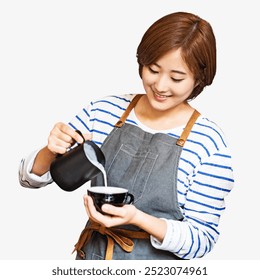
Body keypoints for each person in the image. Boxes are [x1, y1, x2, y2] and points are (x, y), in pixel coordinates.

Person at [19, 11, 234, 260]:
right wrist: (51, 151)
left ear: (199, 79)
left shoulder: (208, 143)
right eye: (153, 70)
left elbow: (202, 240)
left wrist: (137, 218)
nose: (161, 86)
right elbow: (28, 179)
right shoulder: (104, 112)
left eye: (176, 78)